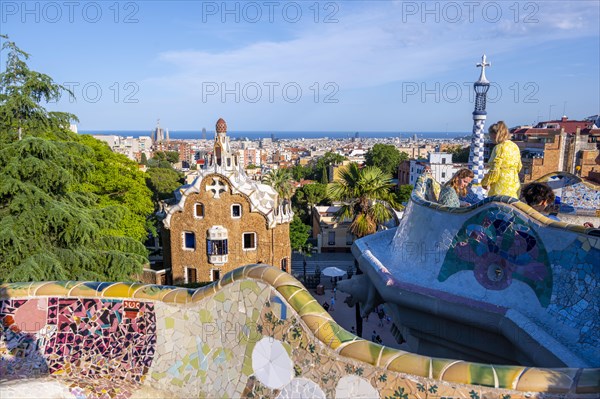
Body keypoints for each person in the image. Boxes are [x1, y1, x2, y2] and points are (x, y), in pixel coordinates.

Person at [481, 121, 522, 198]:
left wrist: (485, 182)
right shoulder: (514, 146)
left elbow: (494, 170)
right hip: (514, 183)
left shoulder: (499, 148)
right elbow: (519, 167)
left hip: (501, 185)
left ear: (495, 135)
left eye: (490, 135)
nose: (490, 138)